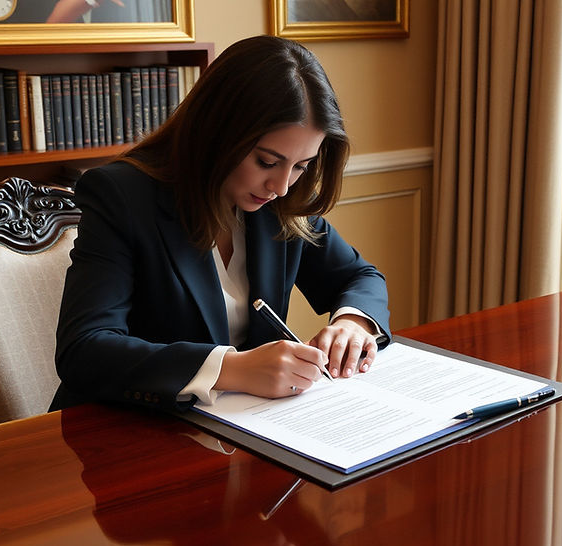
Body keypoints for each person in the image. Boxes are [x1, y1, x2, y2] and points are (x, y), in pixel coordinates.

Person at [51, 35, 391, 413]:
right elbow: (84, 349)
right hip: (126, 433)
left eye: (301, 166)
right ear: (218, 134)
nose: (280, 186)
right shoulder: (122, 196)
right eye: (266, 161)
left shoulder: (281, 204)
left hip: (239, 432)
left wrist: (351, 324)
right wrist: (230, 368)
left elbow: (359, 277)